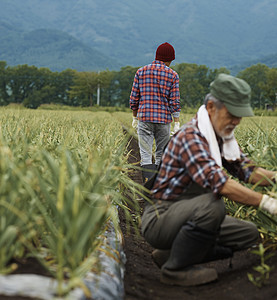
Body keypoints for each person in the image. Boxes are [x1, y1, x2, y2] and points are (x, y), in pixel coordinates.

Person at [140, 73, 277, 287]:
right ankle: (175, 270)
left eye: (240, 116)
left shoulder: (221, 138)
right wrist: (267, 203)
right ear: (212, 107)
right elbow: (221, 184)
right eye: (232, 114)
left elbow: (248, 171)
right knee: (213, 206)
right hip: (161, 217)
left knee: (248, 234)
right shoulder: (191, 137)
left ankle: (172, 256)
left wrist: (276, 177)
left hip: (188, 214)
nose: (236, 121)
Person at [129, 42, 181, 183]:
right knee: (161, 154)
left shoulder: (141, 72)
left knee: (145, 154)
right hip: (164, 120)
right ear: (169, 59)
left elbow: (134, 98)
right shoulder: (173, 75)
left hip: (144, 118)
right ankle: (158, 187)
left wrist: (135, 117)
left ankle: (147, 185)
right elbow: (174, 101)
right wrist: (176, 123)